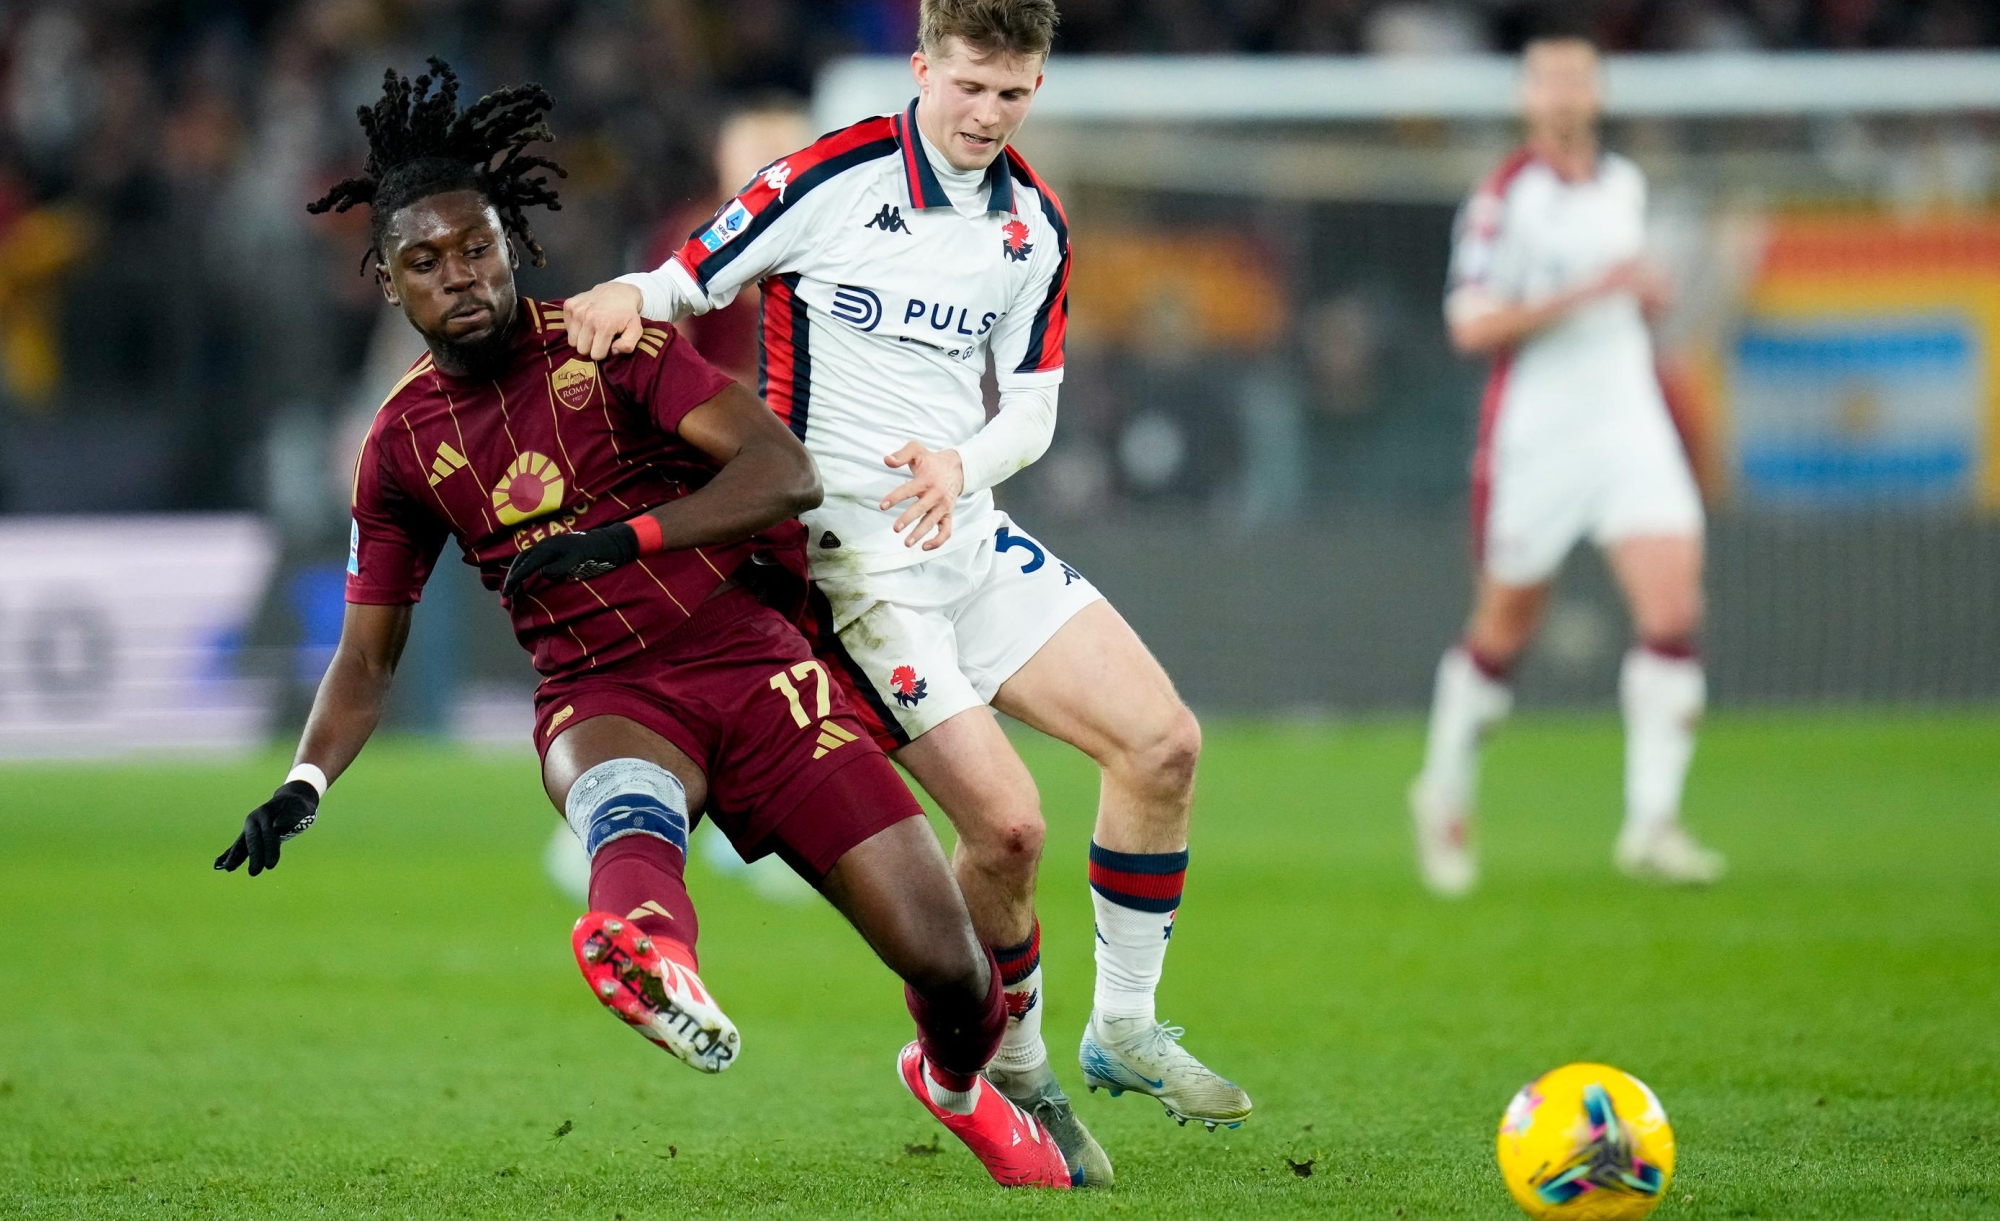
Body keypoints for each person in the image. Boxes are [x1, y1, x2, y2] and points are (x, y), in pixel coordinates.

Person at [212, 61, 1070, 1189]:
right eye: (426, 263)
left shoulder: (609, 344)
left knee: (956, 975)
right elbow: (367, 658)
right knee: (625, 803)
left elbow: (784, 473)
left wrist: (627, 539)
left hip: (759, 671)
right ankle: (647, 955)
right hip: (606, 695)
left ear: (511, 243)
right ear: (389, 284)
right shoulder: (400, 446)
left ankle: (949, 1081)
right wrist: (305, 781)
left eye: (476, 248)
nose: (459, 277)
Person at [556, 0, 1248, 1184]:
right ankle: (1004, 1069)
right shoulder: (825, 180)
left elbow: (1032, 401)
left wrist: (962, 464)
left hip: (967, 532)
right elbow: (678, 285)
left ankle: (1123, 1027)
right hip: (853, 566)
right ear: (923, 66)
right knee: (1011, 827)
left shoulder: (1034, 224)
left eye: (1014, 92)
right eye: (970, 86)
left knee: (1164, 745)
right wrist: (614, 299)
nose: (988, 115)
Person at [1411, 36, 1725, 897]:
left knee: (1673, 605)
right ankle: (1443, 791)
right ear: (1526, 95)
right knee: (1505, 624)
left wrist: (1643, 293)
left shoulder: (1624, 184)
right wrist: (1591, 290)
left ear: (1597, 92)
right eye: (1548, 78)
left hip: (1629, 421)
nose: (1564, 93)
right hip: (1538, 436)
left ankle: (1652, 821)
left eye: (1578, 78)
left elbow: (1629, 293)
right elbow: (1470, 325)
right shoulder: (1501, 201)